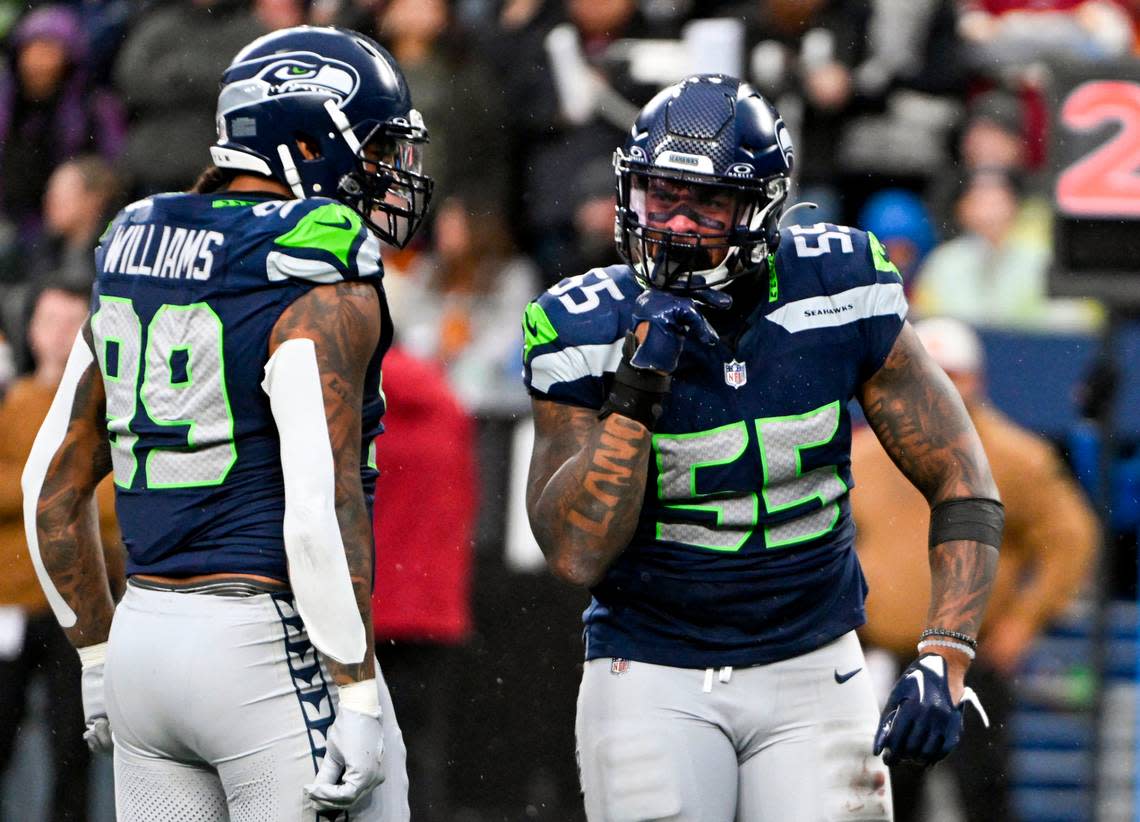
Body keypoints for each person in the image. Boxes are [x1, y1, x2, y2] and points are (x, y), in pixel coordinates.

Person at [522, 74, 1003, 820]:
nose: (677, 225)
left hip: (815, 663)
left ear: (762, 207)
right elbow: (576, 553)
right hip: (653, 667)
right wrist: (637, 391)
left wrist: (945, 656)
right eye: (660, 194)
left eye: (707, 201)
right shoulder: (585, 325)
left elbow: (963, 478)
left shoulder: (837, 284)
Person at [21, 26, 434, 821]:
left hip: (143, 637)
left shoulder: (136, 240)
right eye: (376, 149)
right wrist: (353, 691)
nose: (388, 173)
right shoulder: (315, 263)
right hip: (266, 644)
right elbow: (317, 506)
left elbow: (52, 487)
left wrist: (99, 656)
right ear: (310, 141)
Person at [852, 316, 1098, 822]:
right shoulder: (863, 453)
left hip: (971, 658)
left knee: (983, 794)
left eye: (954, 375)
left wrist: (1023, 622)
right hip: (882, 655)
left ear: (977, 381)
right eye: (931, 372)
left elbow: (1071, 540)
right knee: (886, 801)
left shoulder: (1015, 456)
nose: (941, 387)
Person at [0, 285, 123, 822]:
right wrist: (56, 489)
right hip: (9, 604)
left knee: (73, 749)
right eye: (49, 319)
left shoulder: (105, 408)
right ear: (30, 328)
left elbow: (115, 502)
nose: (57, 333)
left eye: (72, 321)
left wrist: (35, 490)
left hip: (78, 606)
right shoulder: (10, 399)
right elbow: (80, 496)